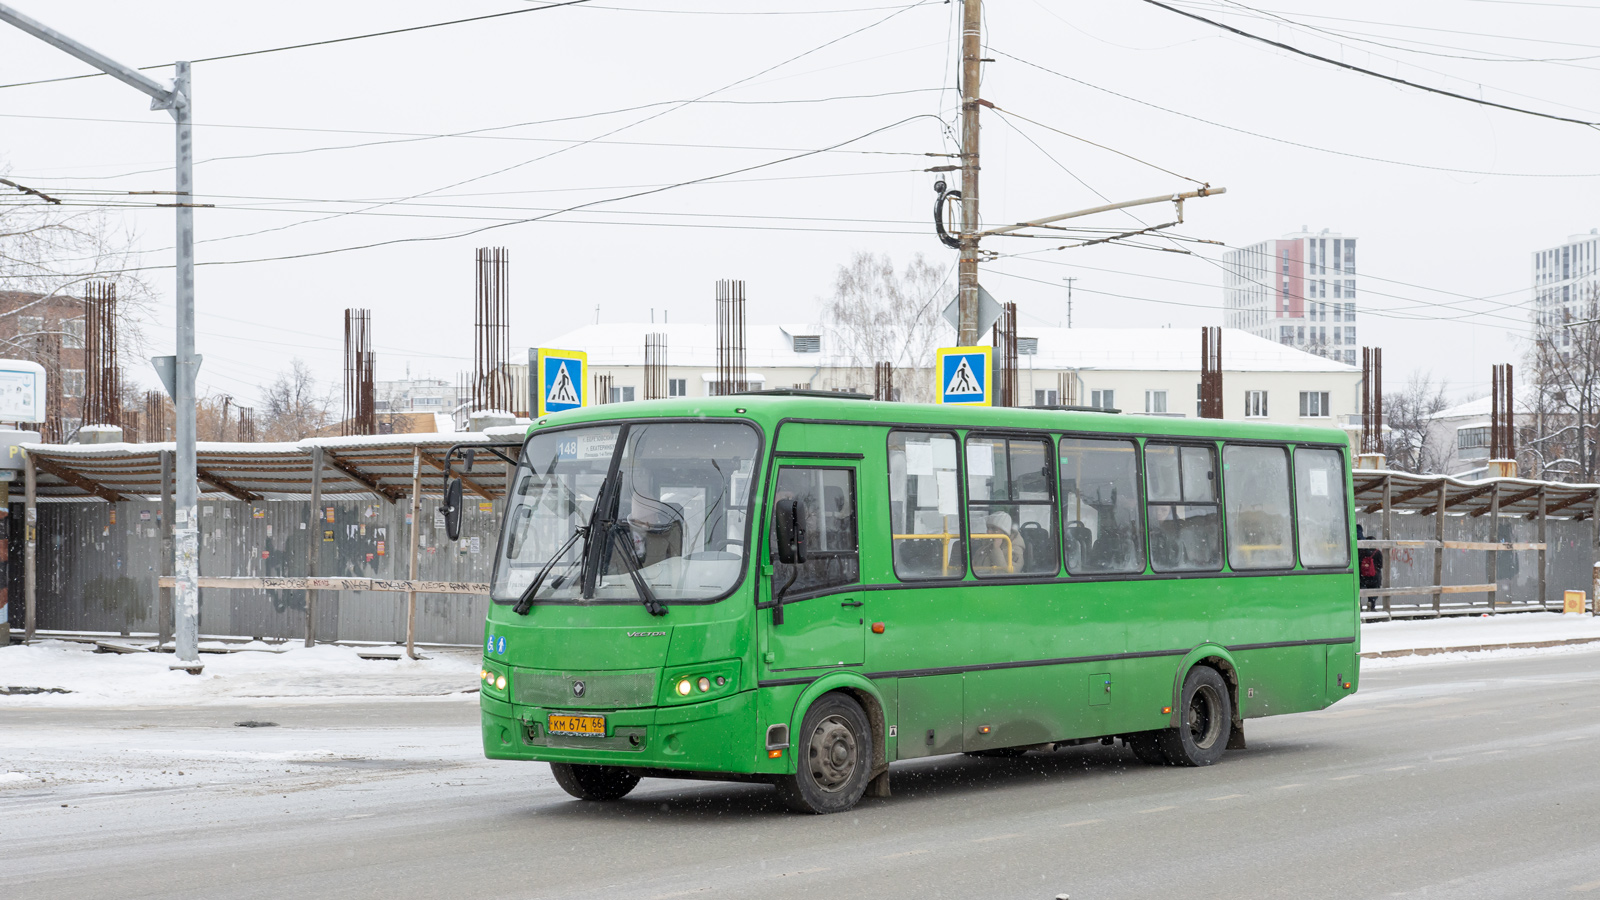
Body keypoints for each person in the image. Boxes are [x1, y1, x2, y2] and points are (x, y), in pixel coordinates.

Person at [1356, 524, 1383, 611]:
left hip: (1362, 575)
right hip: (1374, 576)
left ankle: (1359, 606)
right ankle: (1371, 604)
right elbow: (1381, 565)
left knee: (1359, 590)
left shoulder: (1361, 550)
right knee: (1374, 591)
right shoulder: (1377, 551)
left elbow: (1358, 562)